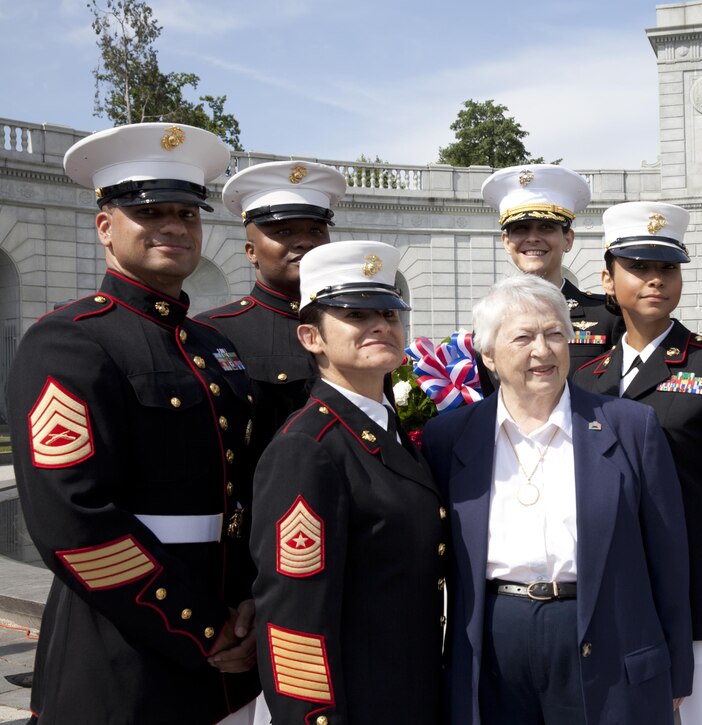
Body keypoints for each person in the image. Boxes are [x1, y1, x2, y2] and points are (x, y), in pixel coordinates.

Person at [5, 123, 261, 723]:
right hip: (125, 654)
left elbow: (242, 489)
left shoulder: (211, 345)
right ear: (105, 226)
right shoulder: (68, 342)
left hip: (227, 663)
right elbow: (74, 520)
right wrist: (201, 628)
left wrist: (249, 605)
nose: (173, 226)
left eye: (187, 213)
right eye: (149, 212)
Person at [422, 274, 693, 725]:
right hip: (494, 642)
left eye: (554, 334)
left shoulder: (630, 426)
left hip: (606, 639)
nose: (542, 351)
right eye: (523, 337)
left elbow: (669, 557)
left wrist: (676, 669)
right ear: (487, 354)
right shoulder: (449, 437)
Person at [571, 202, 702, 724]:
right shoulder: (586, 379)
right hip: (616, 608)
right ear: (607, 279)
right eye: (639, 267)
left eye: (667, 268)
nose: (655, 280)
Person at [250, 240, 446, 723]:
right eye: (355, 315)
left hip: (412, 689)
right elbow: (293, 615)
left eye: (388, 313)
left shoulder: (388, 426)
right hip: (359, 703)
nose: (379, 324)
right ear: (311, 338)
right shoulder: (308, 448)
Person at [196, 160, 345, 455]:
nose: (304, 242)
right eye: (284, 232)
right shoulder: (212, 332)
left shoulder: (354, 324)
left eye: (316, 231)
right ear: (251, 252)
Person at [479, 164, 621, 391]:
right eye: (521, 229)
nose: (533, 238)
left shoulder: (608, 316)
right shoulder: (492, 317)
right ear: (506, 241)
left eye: (546, 227)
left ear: (568, 239)